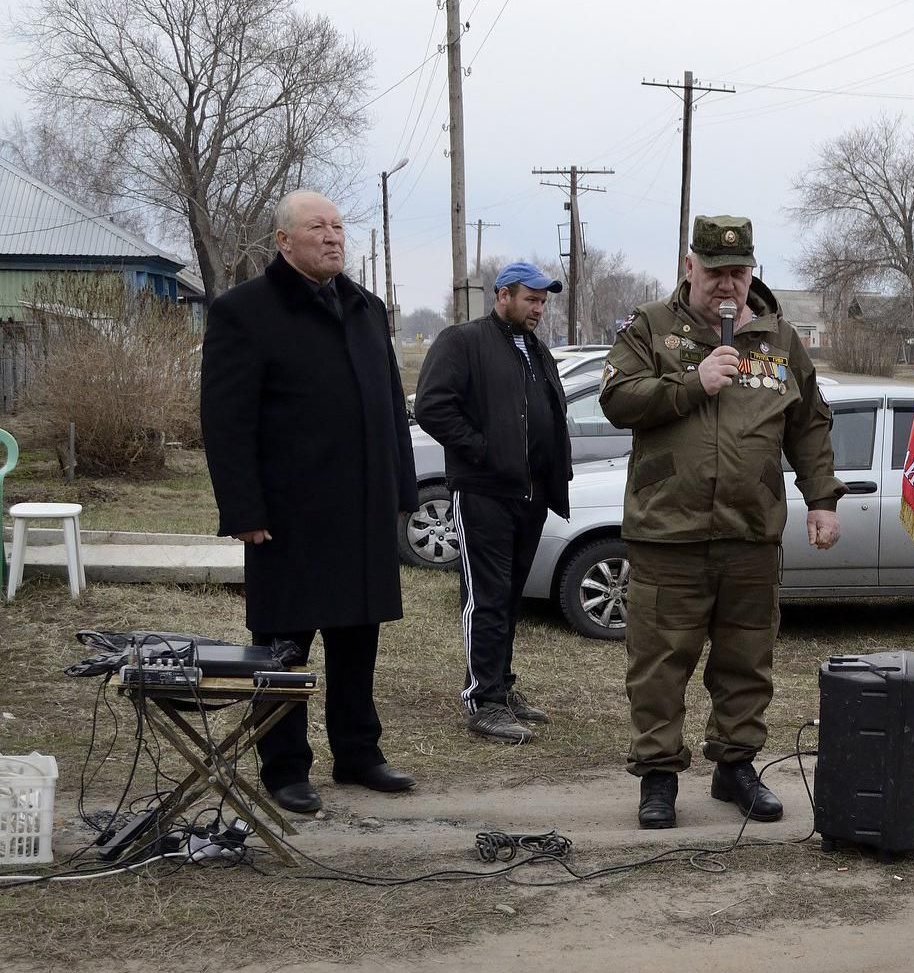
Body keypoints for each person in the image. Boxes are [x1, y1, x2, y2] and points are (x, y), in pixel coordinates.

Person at [600, 216, 844, 829]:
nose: (727, 285)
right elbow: (617, 400)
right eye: (715, 273)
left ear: (752, 270)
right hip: (667, 532)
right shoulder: (649, 327)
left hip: (750, 532)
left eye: (738, 272)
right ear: (690, 266)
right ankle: (657, 777)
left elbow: (808, 424)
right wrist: (690, 383)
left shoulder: (779, 340)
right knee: (659, 664)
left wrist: (821, 499)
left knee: (746, 660)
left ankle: (736, 766)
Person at [200, 190, 418, 814]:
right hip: (288, 517)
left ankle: (358, 752)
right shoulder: (245, 311)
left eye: (338, 227)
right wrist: (244, 511)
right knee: (283, 650)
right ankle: (285, 767)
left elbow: (391, 414)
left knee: (358, 640)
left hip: (362, 511)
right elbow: (226, 420)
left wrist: (402, 491)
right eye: (317, 227)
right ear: (283, 241)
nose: (332, 237)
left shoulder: (365, 308)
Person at [414, 262, 574, 744]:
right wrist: (483, 450)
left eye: (544, 301)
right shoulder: (463, 340)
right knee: (485, 598)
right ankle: (482, 700)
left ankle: (501, 688)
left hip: (531, 495)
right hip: (484, 493)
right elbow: (432, 406)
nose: (539, 309)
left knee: (509, 597)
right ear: (503, 295)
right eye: (531, 299)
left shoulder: (536, 350)